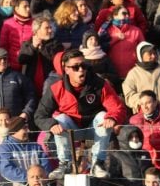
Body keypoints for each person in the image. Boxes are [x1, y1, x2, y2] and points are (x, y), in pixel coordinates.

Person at [35, 48, 126, 179]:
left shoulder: (99, 84)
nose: (81, 70)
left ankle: (97, 163)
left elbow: (118, 108)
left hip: (94, 128)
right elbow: (39, 116)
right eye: (75, 67)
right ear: (66, 69)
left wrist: (113, 118)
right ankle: (64, 163)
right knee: (59, 119)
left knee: (103, 116)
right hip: (71, 130)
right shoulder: (56, 88)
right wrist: (51, 124)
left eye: (84, 65)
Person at [128, 90, 160, 182]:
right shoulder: (133, 121)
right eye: (142, 103)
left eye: (148, 103)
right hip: (142, 168)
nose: (145, 107)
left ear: (156, 103)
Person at [0, 116, 50, 186]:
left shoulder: (36, 147)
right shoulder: (4, 148)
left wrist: (39, 178)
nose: (28, 131)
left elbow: (46, 166)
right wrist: (30, 179)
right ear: (15, 130)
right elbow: (6, 170)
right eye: (25, 128)